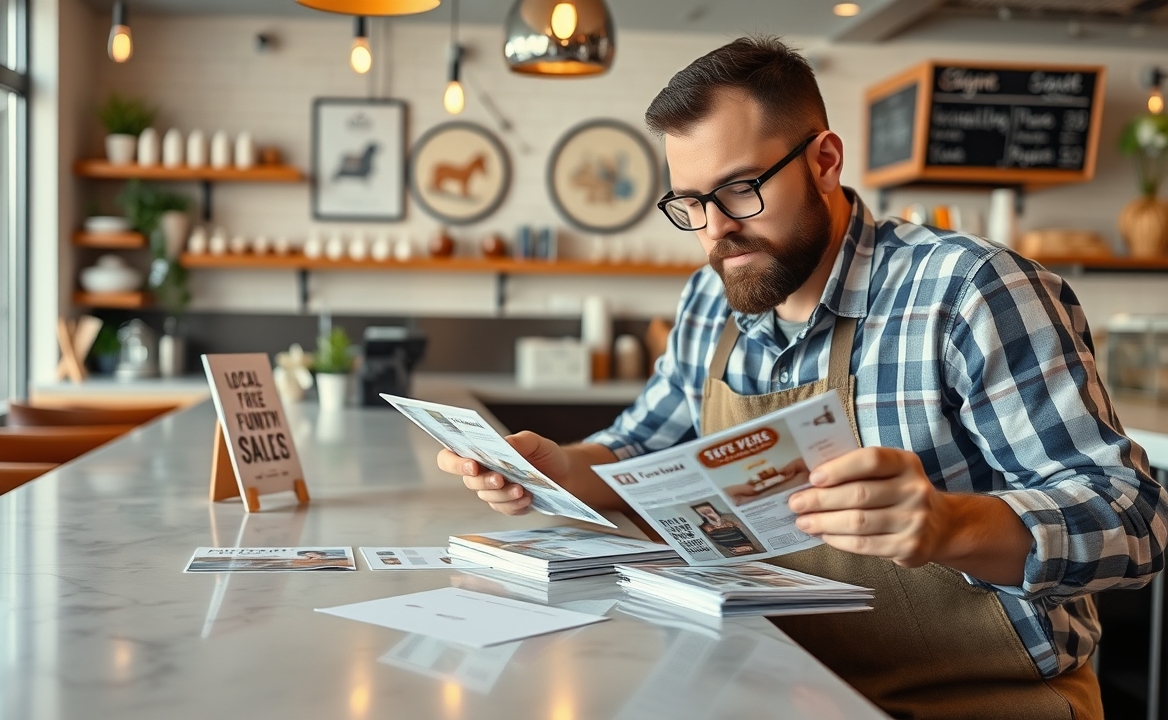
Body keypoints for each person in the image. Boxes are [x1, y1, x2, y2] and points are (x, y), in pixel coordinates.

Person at [436, 37, 1168, 719]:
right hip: (775, 685)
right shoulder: (711, 295)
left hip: (974, 700)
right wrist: (557, 467)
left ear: (824, 160)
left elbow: (1134, 518)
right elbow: (641, 447)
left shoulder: (970, 291)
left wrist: (949, 525)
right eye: (689, 204)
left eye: (740, 189)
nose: (715, 230)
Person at [690, 501, 763, 556]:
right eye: (703, 514)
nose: (707, 516)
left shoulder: (731, 518)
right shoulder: (706, 528)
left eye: (708, 512)